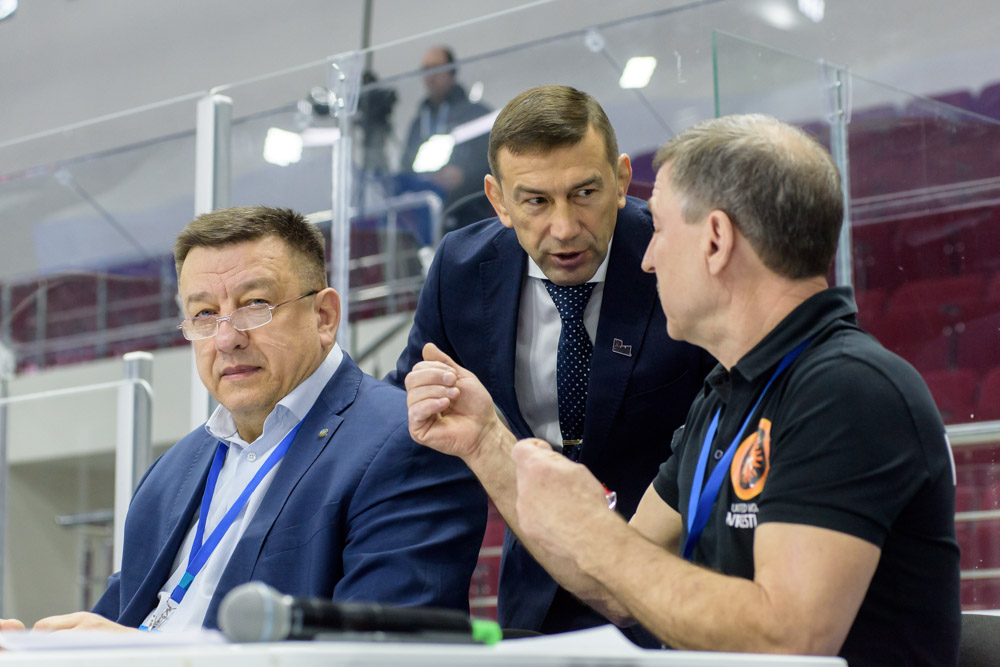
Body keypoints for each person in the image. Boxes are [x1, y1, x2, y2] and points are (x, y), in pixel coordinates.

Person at [405, 115, 960, 664]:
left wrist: (595, 531)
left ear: (715, 241)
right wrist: (487, 442)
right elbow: (617, 589)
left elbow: (786, 641)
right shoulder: (725, 396)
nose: (647, 258)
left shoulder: (846, 391)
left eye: (661, 230)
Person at [0, 206, 486, 632]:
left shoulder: (407, 440)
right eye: (204, 314)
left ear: (324, 316)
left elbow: (378, 652)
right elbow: (118, 622)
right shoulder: (170, 472)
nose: (226, 338)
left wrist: (148, 656)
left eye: (255, 305)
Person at [388, 85, 713, 637]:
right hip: (536, 594)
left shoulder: (676, 256)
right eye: (535, 201)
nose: (563, 228)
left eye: (584, 192)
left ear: (621, 179)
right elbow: (407, 414)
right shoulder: (460, 271)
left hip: (678, 587)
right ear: (498, 200)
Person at [399, 46, 494, 232]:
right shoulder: (418, 123)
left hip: (470, 216)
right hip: (424, 219)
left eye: (436, 68)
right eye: (425, 70)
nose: (430, 76)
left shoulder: (476, 115)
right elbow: (406, 166)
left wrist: (464, 176)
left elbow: (494, 162)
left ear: (451, 71)